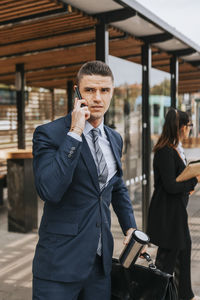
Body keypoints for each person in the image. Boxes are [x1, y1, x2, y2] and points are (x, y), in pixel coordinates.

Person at [32, 60, 137, 300]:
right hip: (59, 266)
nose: (98, 98)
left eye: (104, 90)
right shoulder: (50, 133)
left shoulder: (114, 138)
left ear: (112, 93)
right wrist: (75, 133)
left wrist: (130, 226)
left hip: (100, 267)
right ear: (77, 92)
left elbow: (116, 186)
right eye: (90, 90)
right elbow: (49, 189)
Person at [147, 108, 200, 300]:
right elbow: (170, 185)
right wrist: (193, 180)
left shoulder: (175, 148)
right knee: (166, 263)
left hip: (176, 212)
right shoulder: (164, 151)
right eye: (189, 126)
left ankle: (185, 295)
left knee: (184, 252)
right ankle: (157, 295)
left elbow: (177, 179)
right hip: (167, 215)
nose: (189, 130)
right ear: (181, 127)